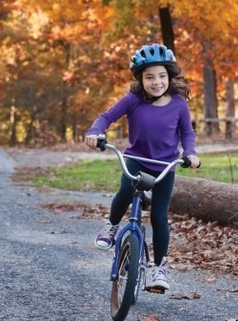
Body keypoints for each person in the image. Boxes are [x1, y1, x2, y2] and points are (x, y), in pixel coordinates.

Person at [84, 43, 200, 291]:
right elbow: (106, 117)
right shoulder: (133, 100)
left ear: (169, 76)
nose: (156, 82)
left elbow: (187, 133)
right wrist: (96, 131)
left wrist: (190, 153)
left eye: (161, 76)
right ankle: (113, 225)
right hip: (136, 160)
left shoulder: (179, 104)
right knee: (125, 192)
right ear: (141, 79)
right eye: (149, 77)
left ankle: (160, 268)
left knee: (159, 216)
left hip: (165, 165)